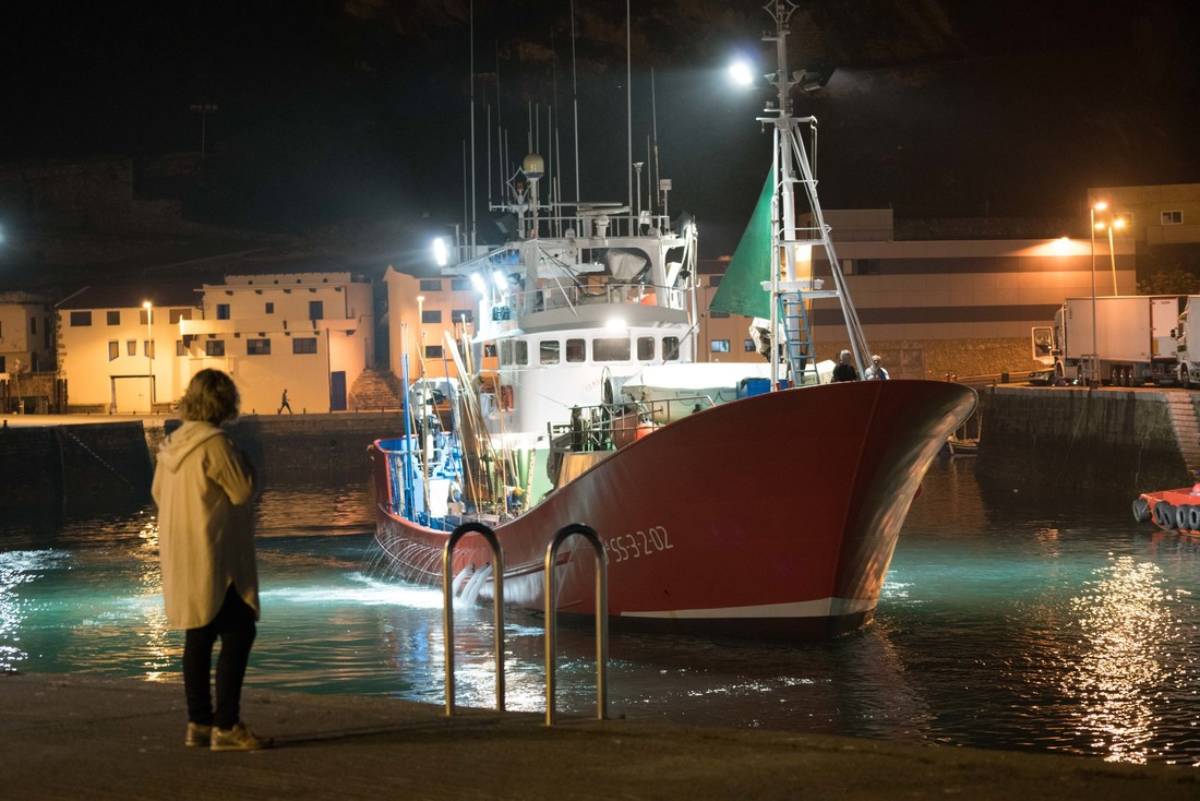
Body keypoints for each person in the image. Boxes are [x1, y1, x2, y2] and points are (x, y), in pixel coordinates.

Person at [152, 369, 271, 752]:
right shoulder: (216, 445)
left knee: (198, 634)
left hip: (181, 552)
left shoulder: (172, 445)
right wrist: (247, 463)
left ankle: (198, 723)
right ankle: (227, 725)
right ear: (225, 402)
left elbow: (157, 493)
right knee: (239, 632)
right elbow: (241, 491)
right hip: (216, 555)